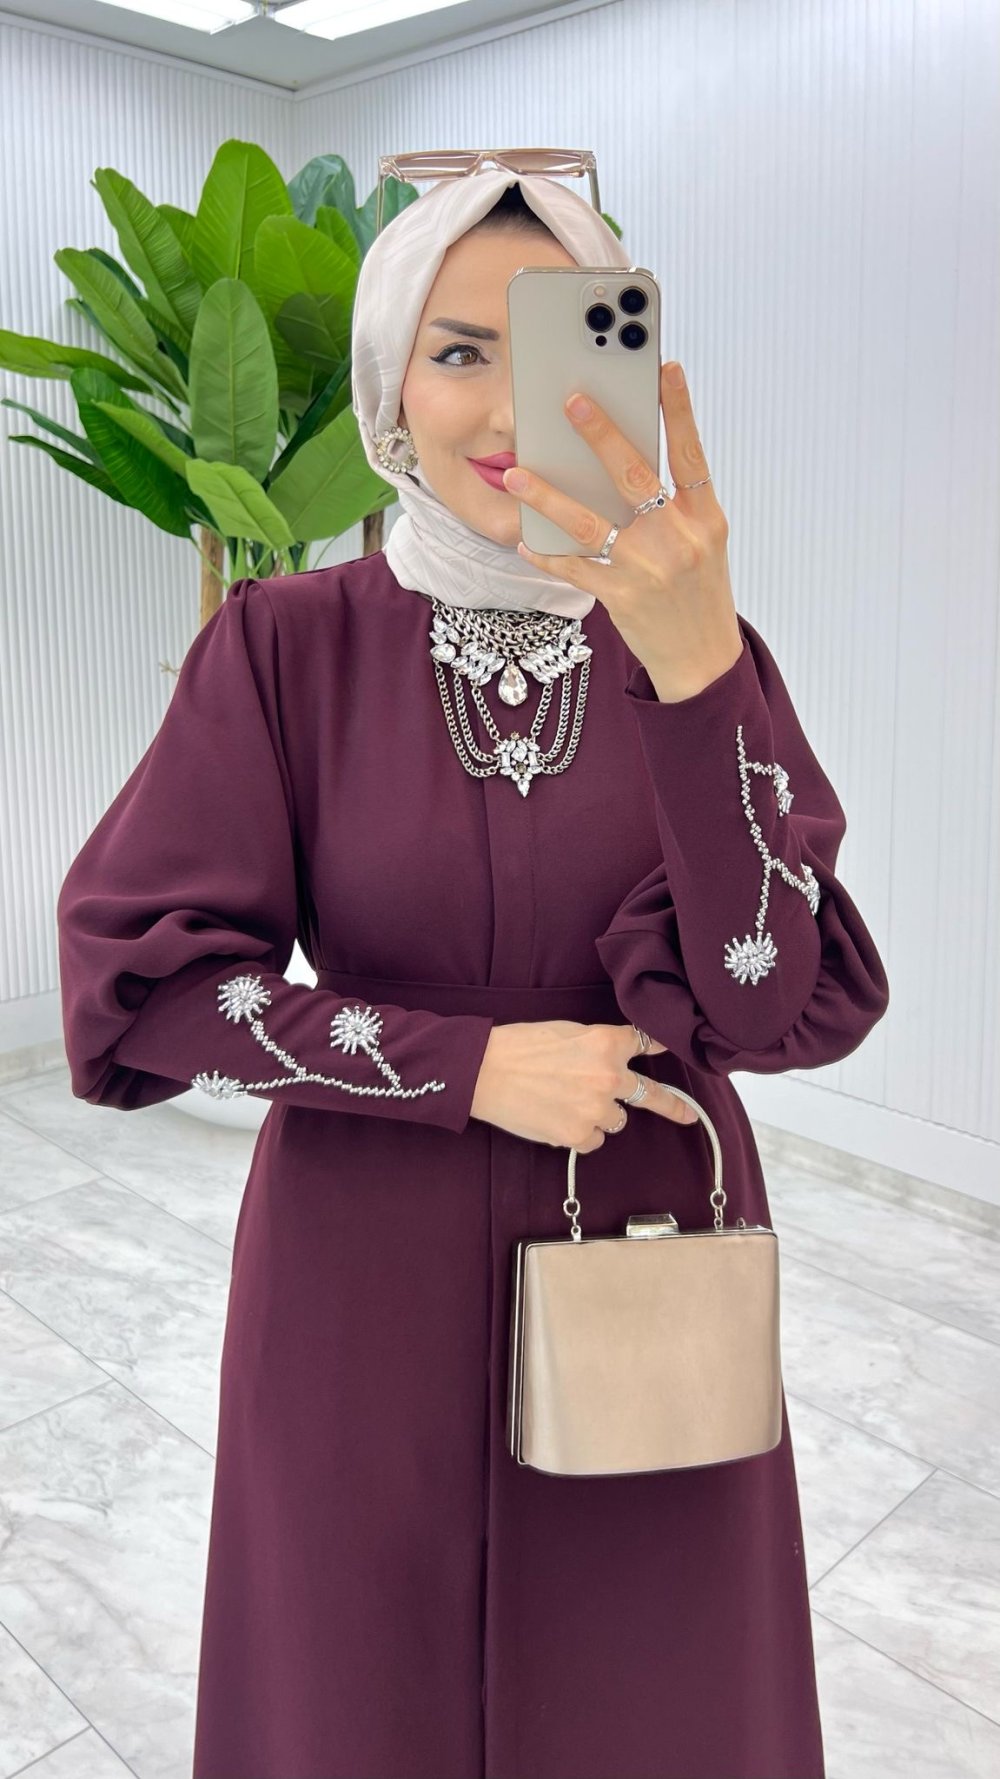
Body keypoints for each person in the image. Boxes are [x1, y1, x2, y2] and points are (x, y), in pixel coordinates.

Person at [56, 167, 890, 1779]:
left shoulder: (706, 653)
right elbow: (142, 987)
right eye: (457, 352)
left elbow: (767, 1000)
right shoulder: (286, 645)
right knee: (355, 1681)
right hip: (360, 1268)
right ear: (388, 389)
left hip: (651, 1250)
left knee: (652, 1689)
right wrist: (468, 1065)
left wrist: (699, 674)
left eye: (561, 343)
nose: (511, 408)